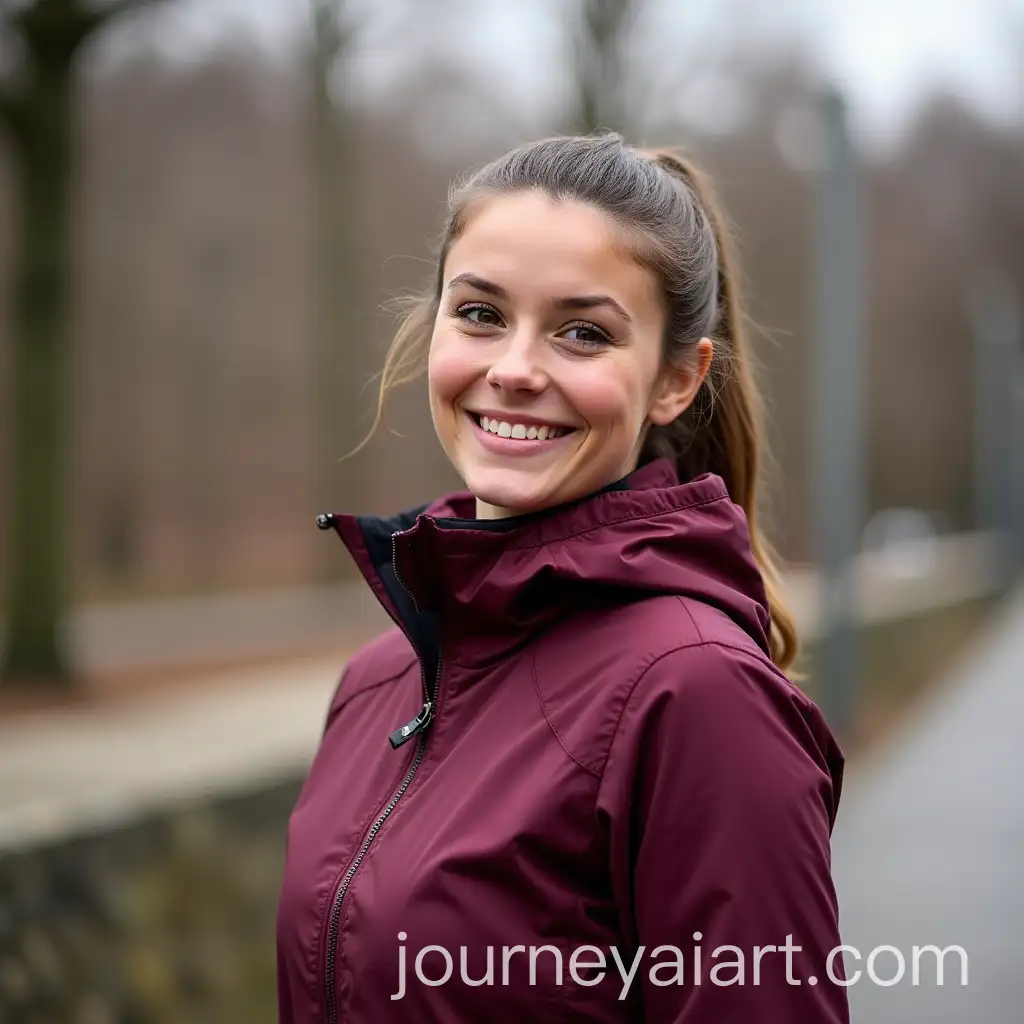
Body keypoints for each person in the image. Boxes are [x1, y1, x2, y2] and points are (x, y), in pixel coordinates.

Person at [276, 133, 849, 1023]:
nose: (513, 369)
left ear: (675, 379)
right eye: (479, 314)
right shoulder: (376, 680)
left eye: (583, 333)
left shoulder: (698, 695)